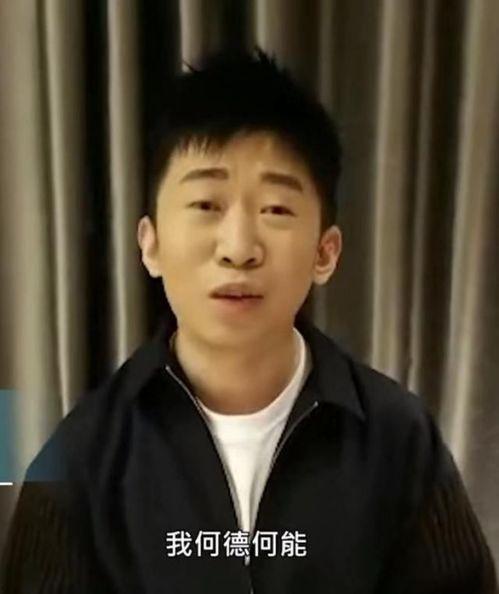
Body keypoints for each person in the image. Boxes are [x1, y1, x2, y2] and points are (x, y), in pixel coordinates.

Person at [1, 47, 497, 594]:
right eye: (206, 205)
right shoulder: (80, 459)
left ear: (325, 253)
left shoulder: (400, 441)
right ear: (151, 244)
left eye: (276, 210)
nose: (238, 248)